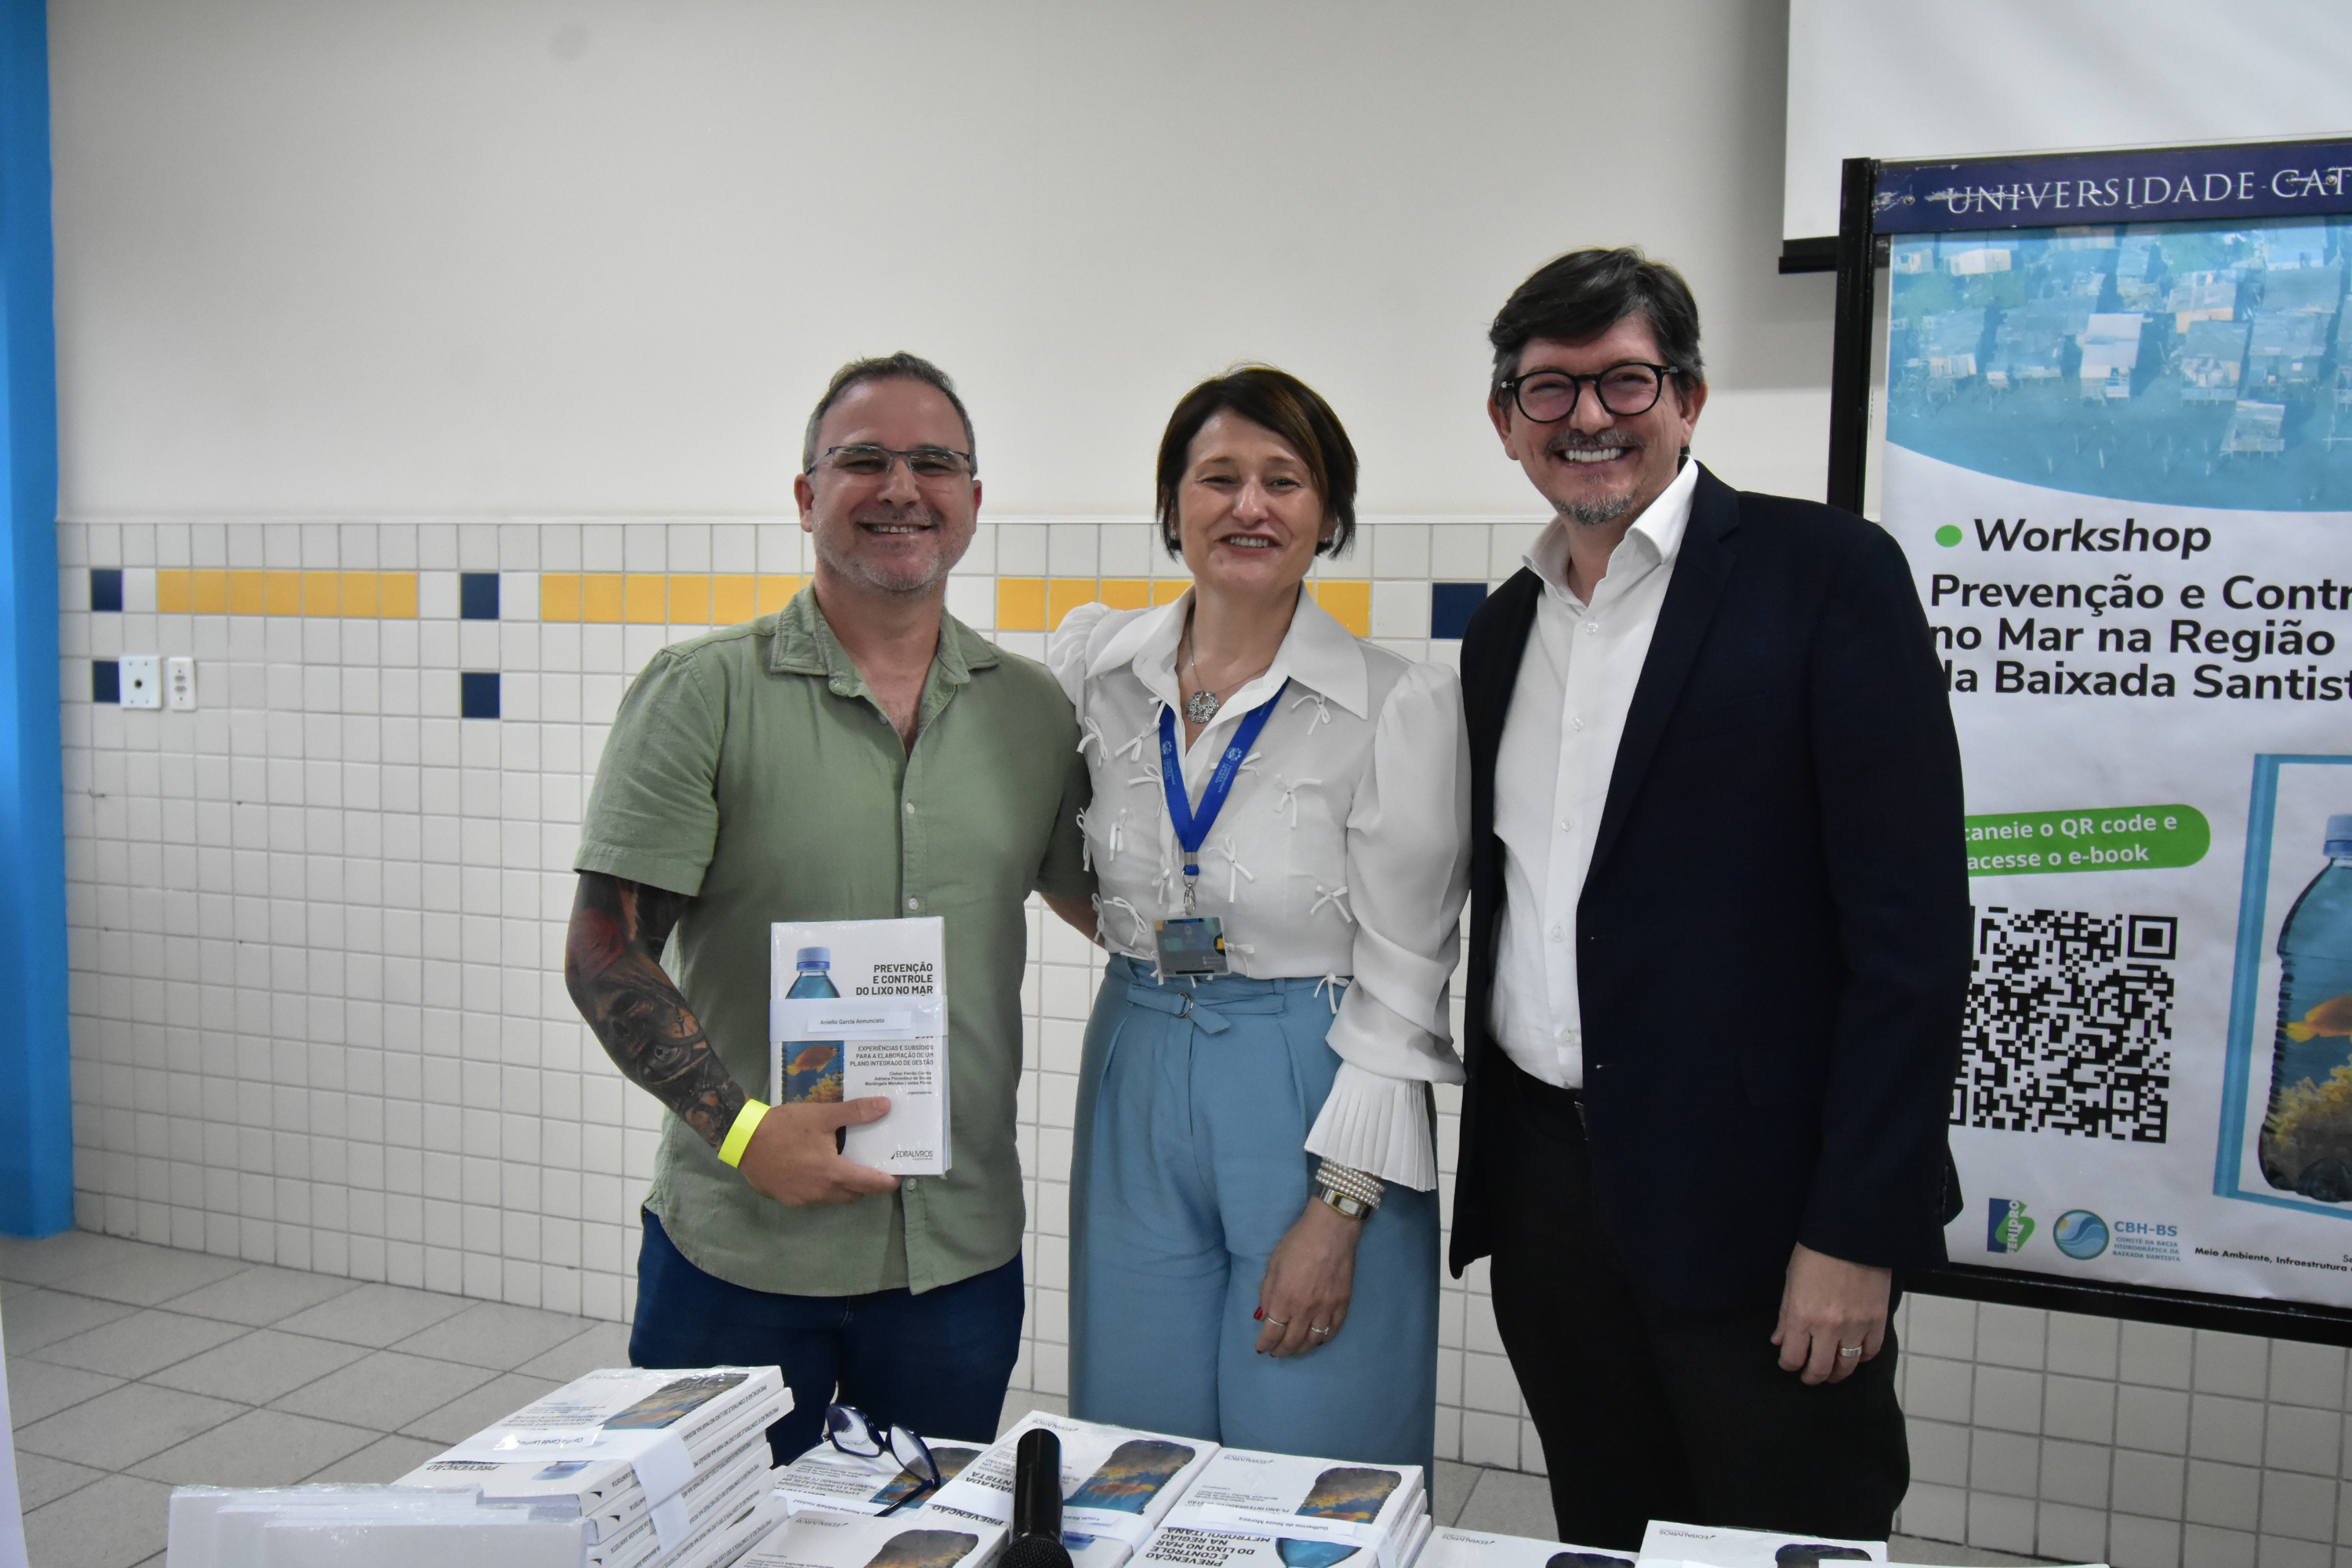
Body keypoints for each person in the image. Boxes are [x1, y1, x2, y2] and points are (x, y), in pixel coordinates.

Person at [1449, 249, 1968, 1545]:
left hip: (1765, 1216)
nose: (1588, 417)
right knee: (1607, 1529)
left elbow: (1911, 942)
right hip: (1554, 1202)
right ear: (1506, 419)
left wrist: (1858, 1231)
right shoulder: (1505, 630)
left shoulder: (1825, 574)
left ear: (1687, 396)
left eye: (1624, 381)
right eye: (1550, 388)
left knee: (1786, 1534)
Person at [564, 352, 1094, 1462]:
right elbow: (606, 954)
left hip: (955, 1259)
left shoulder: (1033, 713)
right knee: (720, 1535)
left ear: (974, 500)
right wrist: (744, 1132)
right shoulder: (703, 693)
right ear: (807, 496)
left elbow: (1108, 907)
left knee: (922, 1533)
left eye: (934, 463)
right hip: (742, 1253)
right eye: (864, 461)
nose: (902, 488)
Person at [1047, 366, 1468, 1470]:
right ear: (1171, 504)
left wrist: (1341, 1206)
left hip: (1314, 1083)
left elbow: (1405, 982)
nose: (1250, 506)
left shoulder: (1396, 703)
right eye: (1218, 477)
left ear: (1328, 515)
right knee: (1134, 1441)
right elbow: (1053, 850)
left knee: (1310, 1453)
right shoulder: (1098, 667)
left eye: (1285, 481)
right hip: (1135, 1053)